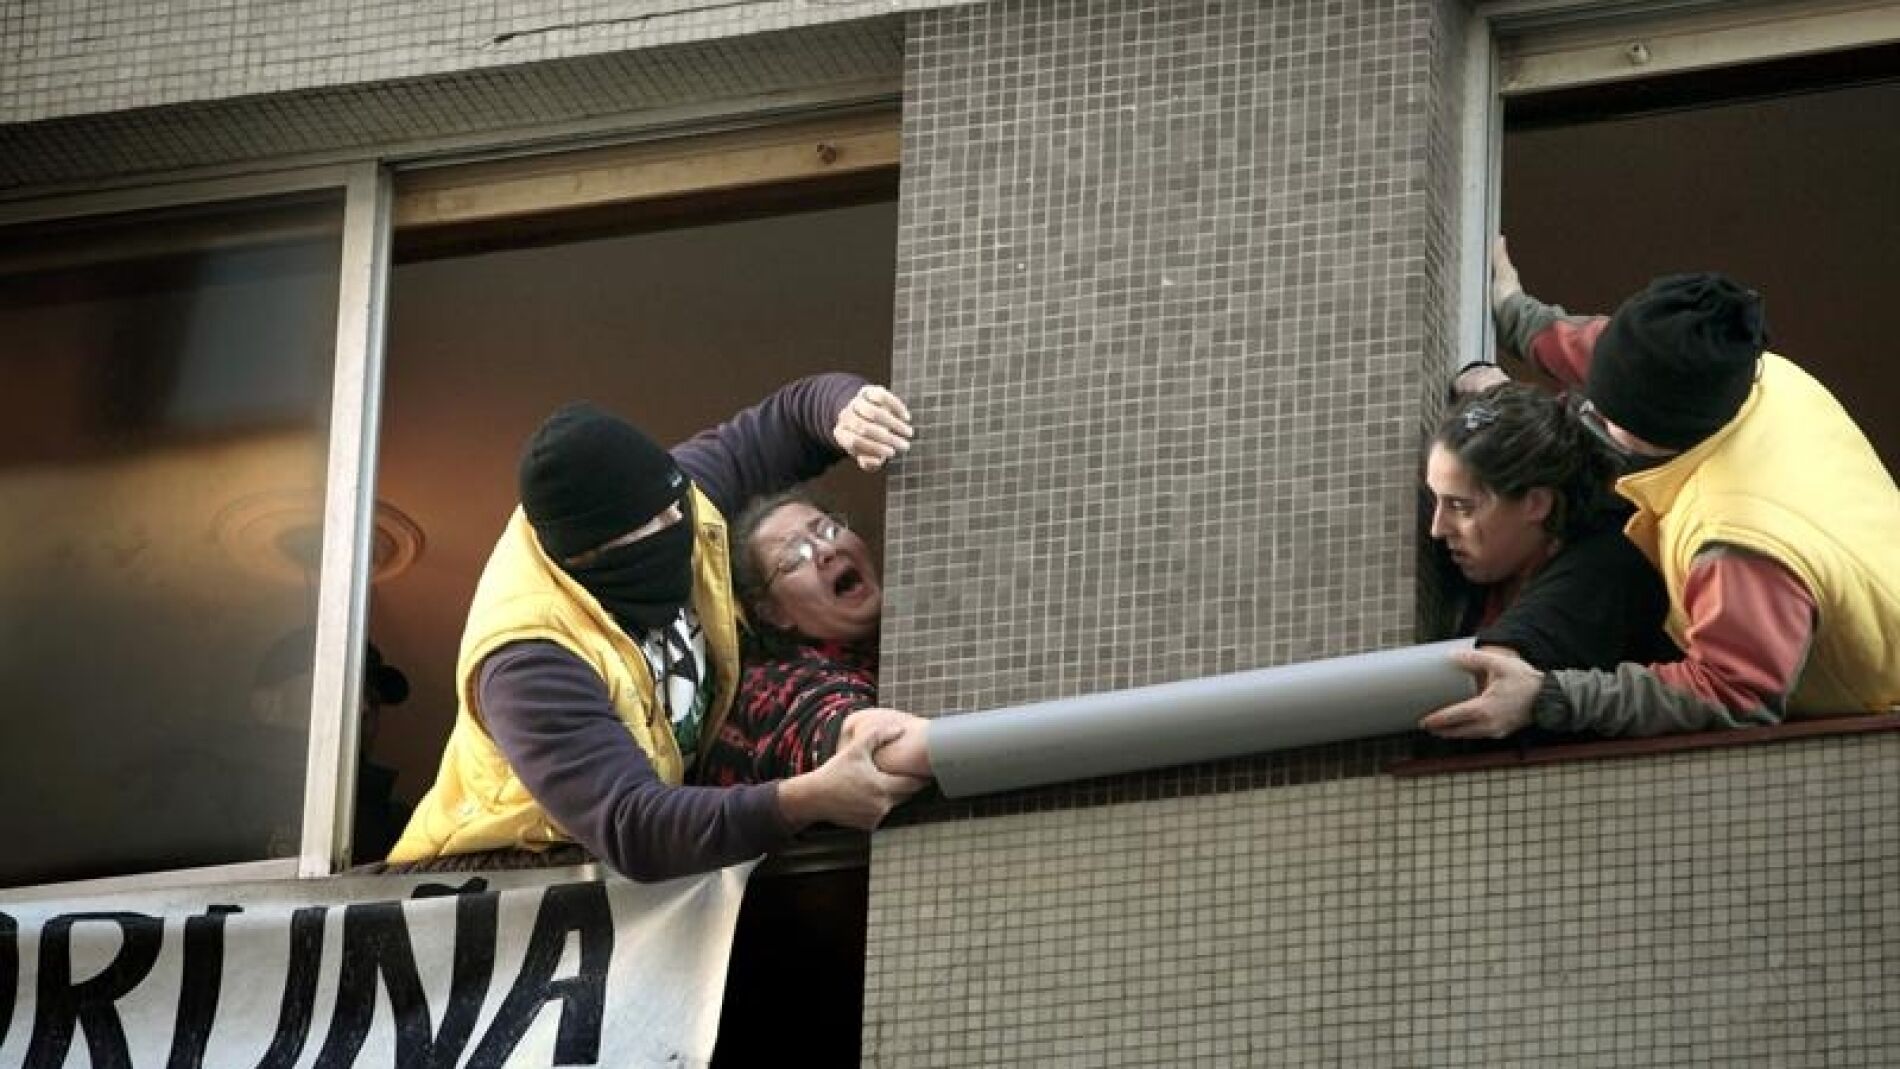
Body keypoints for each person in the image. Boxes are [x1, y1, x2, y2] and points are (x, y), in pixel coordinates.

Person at [387, 376, 928, 880]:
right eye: (657, 528)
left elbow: (788, 419)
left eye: (679, 509)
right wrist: (808, 797)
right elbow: (633, 824)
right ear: (594, 555)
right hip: (503, 876)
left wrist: (848, 408)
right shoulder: (531, 662)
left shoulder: (666, 498)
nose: (683, 531)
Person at [1424, 239, 1900, 739]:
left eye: (1611, 415)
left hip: (1878, 702)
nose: (1592, 414)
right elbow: (1620, 356)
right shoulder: (1750, 373)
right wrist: (1514, 312)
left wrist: (1548, 696)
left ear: (1657, 430)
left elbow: (1732, 694)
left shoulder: (1737, 546)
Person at [1427, 384, 1676, 676]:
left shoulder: (1602, 571)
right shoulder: (1514, 551)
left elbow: (1494, 667)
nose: (1437, 529)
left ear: (1536, 503)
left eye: (1461, 506)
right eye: (1435, 500)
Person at [698, 487, 931, 788]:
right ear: (773, 613)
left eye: (828, 530)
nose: (826, 551)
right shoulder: (772, 686)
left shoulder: (895, 630)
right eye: (796, 557)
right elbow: (864, 748)